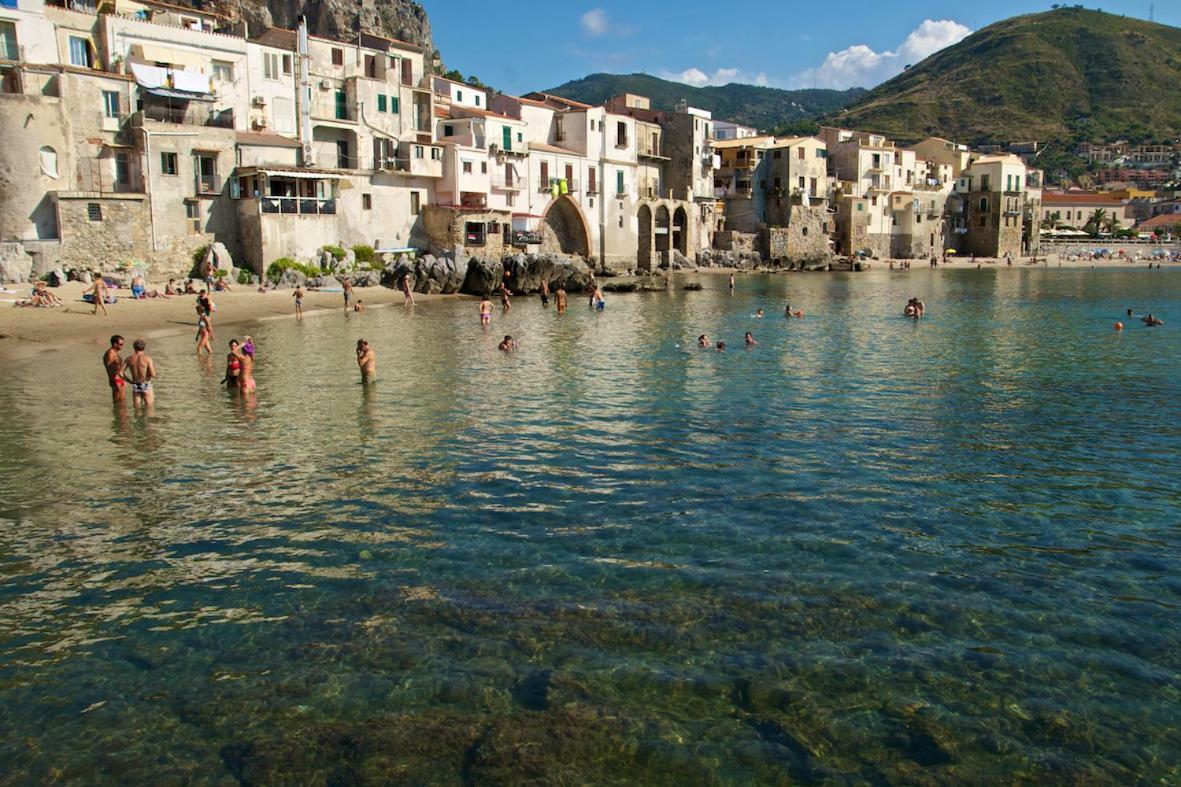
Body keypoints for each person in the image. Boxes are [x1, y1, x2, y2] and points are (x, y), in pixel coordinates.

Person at [125, 339, 155, 408]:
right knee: (149, 408)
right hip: (145, 384)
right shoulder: (147, 359)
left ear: (134, 347)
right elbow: (153, 374)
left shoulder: (129, 359)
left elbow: (120, 373)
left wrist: (129, 381)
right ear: (144, 347)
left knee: (137, 409)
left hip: (135, 384)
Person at [103, 335, 126, 404]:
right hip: (116, 380)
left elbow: (118, 368)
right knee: (117, 403)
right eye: (121, 344)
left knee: (122, 402)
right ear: (115, 344)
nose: (122, 346)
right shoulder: (110, 354)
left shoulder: (115, 353)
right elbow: (110, 369)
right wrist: (115, 382)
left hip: (120, 379)